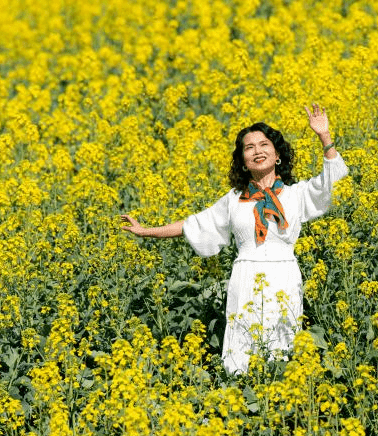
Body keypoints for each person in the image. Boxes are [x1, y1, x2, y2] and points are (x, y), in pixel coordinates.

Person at [119, 104, 349, 374]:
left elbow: (333, 183)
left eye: (264, 145)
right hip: (246, 277)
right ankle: (241, 390)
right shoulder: (233, 200)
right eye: (249, 147)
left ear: (277, 156)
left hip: (284, 275)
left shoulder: (296, 195)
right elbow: (194, 225)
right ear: (242, 161)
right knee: (242, 342)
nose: (257, 150)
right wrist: (147, 231)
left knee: (283, 341)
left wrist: (324, 136)